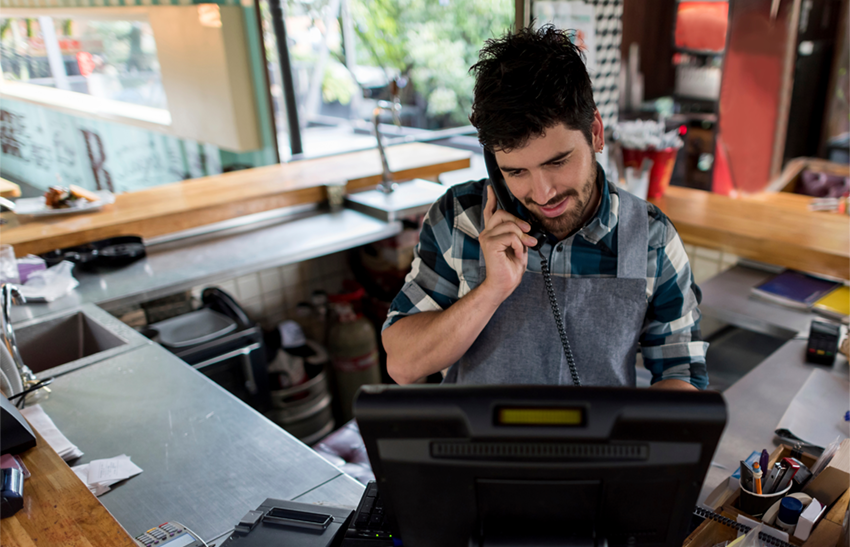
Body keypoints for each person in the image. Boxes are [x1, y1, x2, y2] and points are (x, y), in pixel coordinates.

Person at [381, 25, 708, 391]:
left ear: (596, 133)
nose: (542, 193)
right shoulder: (459, 219)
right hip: (478, 447)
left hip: (604, 447)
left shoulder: (652, 238)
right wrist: (491, 290)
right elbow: (403, 365)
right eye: (516, 171)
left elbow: (681, 369)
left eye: (557, 162)